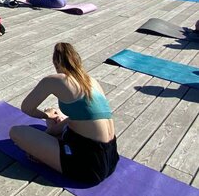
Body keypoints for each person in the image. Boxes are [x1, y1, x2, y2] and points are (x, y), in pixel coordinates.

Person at [9, 43, 118, 185]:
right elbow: (84, 118)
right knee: (57, 114)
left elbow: (27, 108)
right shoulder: (92, 81)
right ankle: (55, 143)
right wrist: (52, 125)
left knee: (16, 132)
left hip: (87, 167)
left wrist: (47, 116)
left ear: (56, 62)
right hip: (111, 159)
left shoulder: (55, 79)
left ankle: (44, 156)